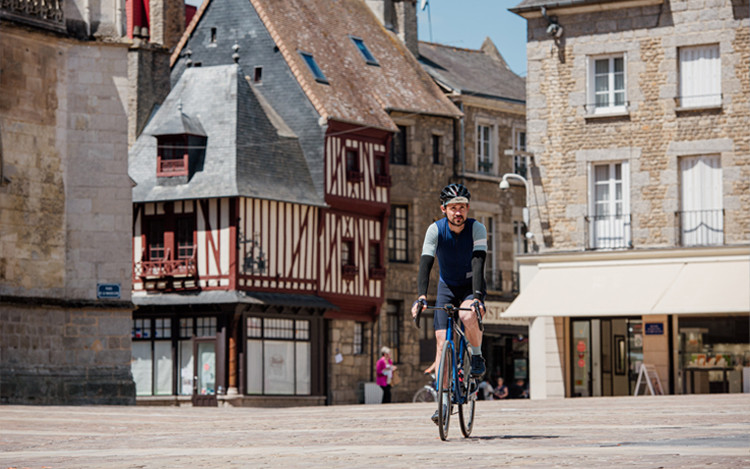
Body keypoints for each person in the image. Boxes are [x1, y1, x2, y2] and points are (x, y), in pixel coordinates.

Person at [410, 183, 487, 424]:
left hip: (470, 286)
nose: (458, 212)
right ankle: (443, 404)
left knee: (466, 316)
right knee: (442, 345)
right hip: (446, 288)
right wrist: (421, 295)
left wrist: (476, 297)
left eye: (462, 207)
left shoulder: (477, 228)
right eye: (453, 207)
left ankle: (476, 355)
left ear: (468, 208)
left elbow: (478, 263)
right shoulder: (435, 230)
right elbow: (426, 262)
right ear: (444, 209)